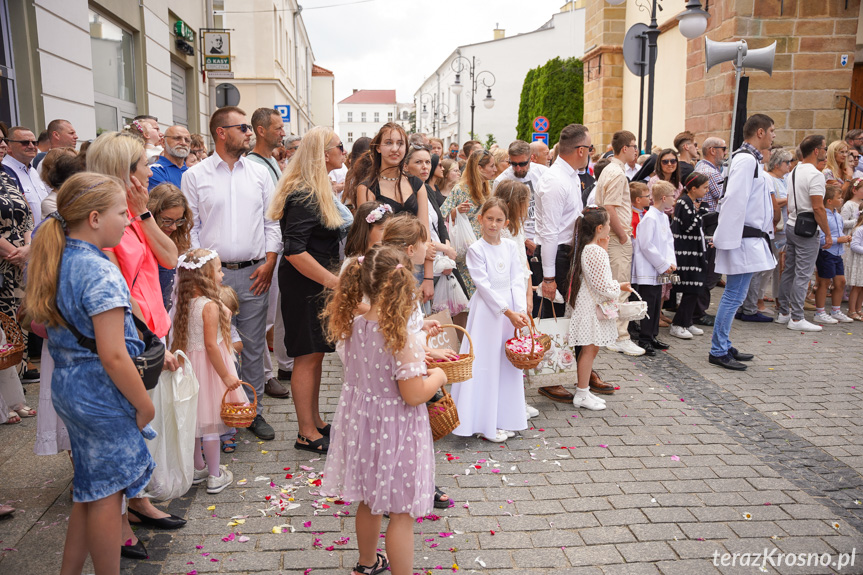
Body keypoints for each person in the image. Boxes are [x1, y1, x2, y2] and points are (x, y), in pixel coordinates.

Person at [26, 172, 156, 574]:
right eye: (122, 212)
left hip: (70, 386)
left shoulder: (60, 256)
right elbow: (114, 355)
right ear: (95, 218)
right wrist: (144, 403)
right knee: (106, 497)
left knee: (89, 490)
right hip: (99, 392)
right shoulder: (98, 270)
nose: (128, 219)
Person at [321, 245, 446, 575]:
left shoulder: (357, 324)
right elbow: (413, 394)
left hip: (365, 428)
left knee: (369, 499)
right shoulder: (400, 335)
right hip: (397, 431)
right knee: (401, 513)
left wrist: (420, 338)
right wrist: (438, 376)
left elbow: (375, 366)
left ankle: (367, 562)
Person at [182, 106, 281, 441]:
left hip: (255, 272)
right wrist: (205, 270)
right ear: (221, 132)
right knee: (219, 346)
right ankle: (219, 416)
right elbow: (190, 228)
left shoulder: (259, 173)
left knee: (253, 346)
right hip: (213, 277)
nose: (249, 133)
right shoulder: (195, 176)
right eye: (242, 128)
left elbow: (272, 223)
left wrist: (269, 261)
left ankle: (252, 412)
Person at [268, 126, 345, 454]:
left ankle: (315, 421)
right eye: (340, 146)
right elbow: (295, 251)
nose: (344, 150)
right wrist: (336, 283)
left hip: (318, 283)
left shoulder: (319, 187)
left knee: (315, 357)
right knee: (306, 357)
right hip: (306, 285)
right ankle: (305, 432)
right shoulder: (303, 193)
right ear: (324, 154)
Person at [170, 248, 249, 493]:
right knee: (212, 424)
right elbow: (211, 345)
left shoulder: (184, 304)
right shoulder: (209, 306)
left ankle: (198, 467)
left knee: (196, 421)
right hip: (211, 369)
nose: (222, 274)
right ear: (205, 275)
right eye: (218, 269)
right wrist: (226, 375)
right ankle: (215, 475)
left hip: (191, 368)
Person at [451, 197, 529, 442]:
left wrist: (521, 310)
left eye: (498, 220)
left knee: (506, 363)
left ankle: (504, 417)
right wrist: (507, 310)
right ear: (480, 219)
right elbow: (483, 285)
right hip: (489, 312)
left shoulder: (509, 247)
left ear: (506, 222)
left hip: (510, 313)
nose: (493, 224)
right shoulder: (476, 250)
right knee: (486, 364)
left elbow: (517, 278)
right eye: (489, 219)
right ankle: (483, 422)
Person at [709, 114, 776, 370]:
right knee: (733, 296)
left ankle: (723, 343)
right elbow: (734, 201)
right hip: (743, 239)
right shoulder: (746, 160)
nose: (773, 136)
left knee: (735, 295)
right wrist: (725, 240)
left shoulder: (748, 160)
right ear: (759, 132)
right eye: (771, 131)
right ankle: (718, 348)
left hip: (746, 237)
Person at [356, 125, 433, 302]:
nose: (395, 149)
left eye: (400, 143)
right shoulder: (367, 188)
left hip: (416, 268)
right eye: (388, 143)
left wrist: (428, 277)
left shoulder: (417, 185)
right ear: (378, 147)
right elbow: (369, 239)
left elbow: (425, 234)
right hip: (384, 269)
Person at [566, 206, 631, 410]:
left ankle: (583, 390)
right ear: (600, 228)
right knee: (589, 348)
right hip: (590, 307)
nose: (611, 228)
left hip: (589, 304)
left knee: (591, 348)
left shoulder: (590, 249)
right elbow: (602, 285)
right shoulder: (594, 251)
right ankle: (582, 392)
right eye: (609, 224)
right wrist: (616, 288)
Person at [247, 107, 292, 400]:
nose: (283, 133)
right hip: (264, 250)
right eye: (277, 128)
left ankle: (273, 369)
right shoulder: (255, 165)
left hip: (275, 246)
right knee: (260, 319)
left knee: (272, 315)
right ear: (261, 131)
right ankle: (263, 376)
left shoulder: (269, 162)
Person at [595, 130, 644, 357]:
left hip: (611, 236)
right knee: (620, 287)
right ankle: (620, 336)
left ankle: (611, 334)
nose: (637, 151)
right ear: (625, 148)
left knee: (613, 287)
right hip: (617, 237)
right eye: (634, 146)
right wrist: (623, 235)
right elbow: (610, 208)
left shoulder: (610, 169)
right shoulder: (616, 172)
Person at [776, 134, 831, 333]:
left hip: (792, 223)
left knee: (789, 270)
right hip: (807, 228)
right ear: (817, 151)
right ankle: (797, 317)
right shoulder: (816, 174)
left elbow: (791, 198)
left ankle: (784, 313)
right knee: (803, 273)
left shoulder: (795, 169)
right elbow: (818, 208)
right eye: (824, 148)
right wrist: (828, 233)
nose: (825, 152)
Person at [440, 148, 497, 298]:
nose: (495, 169)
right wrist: (455, 212)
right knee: (469, 298)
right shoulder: (460, 189)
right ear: (479, 168)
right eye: (491, 166)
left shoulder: (487, 187)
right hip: (466, 249)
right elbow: (440, 216)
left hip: (484, 246)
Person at [631, 180, 677, 355]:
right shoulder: (649, 218)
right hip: (648, 269)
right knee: (649, 304)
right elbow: (646, 245)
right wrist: (663, 264)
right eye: (672, 196)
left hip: (660, 268)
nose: (674, 199)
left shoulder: (664, 217)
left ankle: (652, 336)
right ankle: (644, 338)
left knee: (657, 303)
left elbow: (669, 242)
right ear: (663, 197)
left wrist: (670, 263)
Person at [494, 140, 548, 283]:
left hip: (542, 238)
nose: (518, 169)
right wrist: (524, 241)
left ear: (531, 158)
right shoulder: (501, 181)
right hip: (516, 240)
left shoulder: (543, 173)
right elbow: (498, 216)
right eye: (513, 164)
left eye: (522, 164)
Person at [670, 173, 710, 339]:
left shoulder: (688, 202)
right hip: (686, 254)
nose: (707, 191)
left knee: (695, 287)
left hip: (693, 251)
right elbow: (690, 226)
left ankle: (686, 321)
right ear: (693, 188)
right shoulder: (684, 202)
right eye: (705, 188)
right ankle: (678, 323)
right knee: (691, 288)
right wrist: (703, 214)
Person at [692, 136, 727, 326]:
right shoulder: (712, 174)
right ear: (713, 150)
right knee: (710, 272)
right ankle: (699, 312)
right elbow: (723, 198)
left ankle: (697, 310)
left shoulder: (701, 168)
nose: (725, 152)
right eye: (723, 148)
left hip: (703, 226)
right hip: (710, 226)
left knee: (707, 270)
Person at [146, 183, 192, 310]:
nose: (173, 227)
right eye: (167, 220)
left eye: (178, 221)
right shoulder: (142, 242)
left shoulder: (179, 238)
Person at [813, 184, 854, 323]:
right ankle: (819, 312)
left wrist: (845, 238)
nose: (842, 199)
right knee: (824, 282)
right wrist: (838, 239)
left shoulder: (837, 215)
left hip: (837, 253)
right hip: (826, 252)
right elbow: (820, 238)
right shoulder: (823, 215)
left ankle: (836, 310)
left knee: (841, 281)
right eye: (839, 197)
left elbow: (839, 231)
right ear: (829, 201)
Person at [3, 125, 49, 223]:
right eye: (25, 143)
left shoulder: (33, 172)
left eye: (34, 142)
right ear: (8, 146)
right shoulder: (4, 171)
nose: (31, 146)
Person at [766, 148, 793, 310]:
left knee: (781, 267)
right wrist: (790, 199)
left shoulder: (785, 179)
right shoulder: (771, 179)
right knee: (771, 265)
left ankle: (780, 299)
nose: (789, 165)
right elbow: (773, 201)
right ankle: (759, 298)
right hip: (776, 228)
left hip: (785, 229)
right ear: (777, 164)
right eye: (786, 162)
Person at [147, 125, 191, 189]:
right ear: (163, 142)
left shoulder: (193, 171)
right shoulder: (154, 171)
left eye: (187, 140)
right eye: (177, 138)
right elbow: (168, 198)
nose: (183, 143)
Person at [846, 212, 863, 319]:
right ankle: (852, 310)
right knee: (856, 286)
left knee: (862, 287)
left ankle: (859, 309)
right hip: (859, 262)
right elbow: (854, 246)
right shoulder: (860, 230)